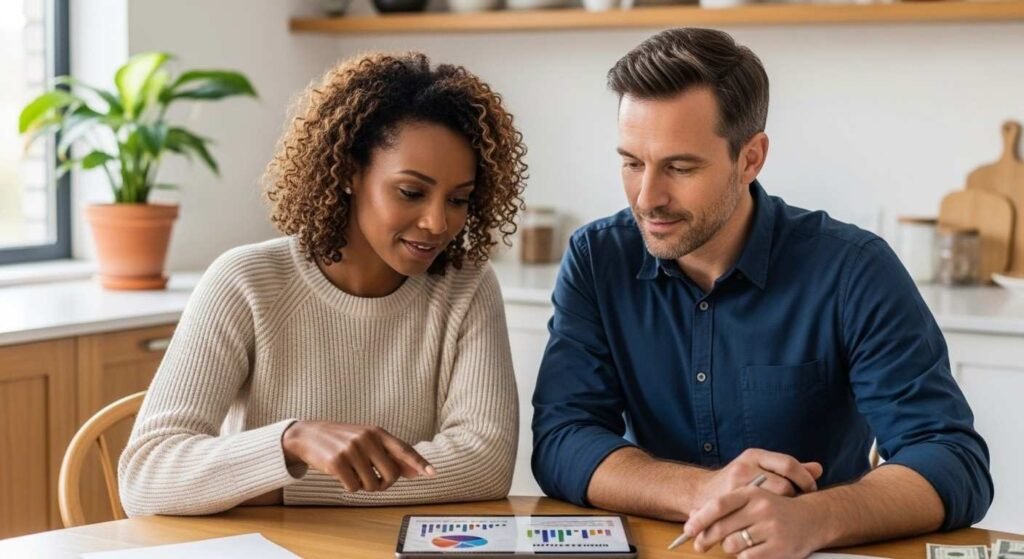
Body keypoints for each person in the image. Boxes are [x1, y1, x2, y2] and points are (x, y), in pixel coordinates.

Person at [531, 28, 992, 557]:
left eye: (680, 167)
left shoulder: (853, 269)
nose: (647, 197)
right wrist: (702, 489)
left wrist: (811, 518)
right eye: (632, 162)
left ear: (750, 158)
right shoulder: (597, 259)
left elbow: (951, 456)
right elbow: (563, 438)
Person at [119, 52, 527, 516]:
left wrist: (279, 487)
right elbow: (146, 476)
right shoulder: (246, 282)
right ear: (351, 172)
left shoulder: (467, 286)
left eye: (458, 200)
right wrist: (291, 441)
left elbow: (485, 464)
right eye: (411, 192)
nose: (437, 222)